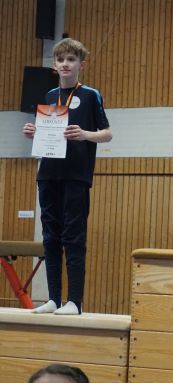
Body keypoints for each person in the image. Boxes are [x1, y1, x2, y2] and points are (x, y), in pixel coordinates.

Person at [23, 38, 112, 315]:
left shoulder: (91, 95)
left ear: (81, 64)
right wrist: (33, 132)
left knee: (73, 237)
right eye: (60, 60)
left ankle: (74, 301)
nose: (65, 64)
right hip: (48, 174)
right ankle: (53, 298)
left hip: (76, 175)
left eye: (71, 60)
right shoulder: (49, 96)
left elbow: (107, 133)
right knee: (50, 237)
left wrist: (85, 134)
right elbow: (47, 132)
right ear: (54, 65)